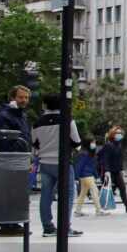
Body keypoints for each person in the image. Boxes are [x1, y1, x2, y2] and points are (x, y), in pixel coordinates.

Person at [33, 94, 84, 237]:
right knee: (67, 194)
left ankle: (48, 227)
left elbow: (35, 146)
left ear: (45, 105)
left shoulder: (38, 122)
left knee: (46, 195)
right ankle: (65, 227)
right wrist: (75, 149)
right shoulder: (67, 120)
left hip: (45, 163)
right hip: (63, 163)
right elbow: (76, 141)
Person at [0, 85, 32, 238]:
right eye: (21, 97)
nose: (24, 100)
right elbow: (3, 139)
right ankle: (7, 224)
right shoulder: (5, 115)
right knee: (8, 192)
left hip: (19, 159)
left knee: (16, 193)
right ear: (12, 98)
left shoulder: (21, 115)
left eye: (26, 98)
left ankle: (12, 223)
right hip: (10, 160)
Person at [99, 126, 127, 213]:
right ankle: (101, 207)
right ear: (113, 134)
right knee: (108, 189)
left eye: (120, 133)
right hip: (110, 172)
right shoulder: (108, 145)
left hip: (117, 172)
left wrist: (121, 169)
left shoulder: (119, 145)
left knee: (122, 188)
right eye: (117, 133)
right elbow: (105, 159)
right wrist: (106, 171)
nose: (119, 135)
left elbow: (120, 159)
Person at [73, 142, 107, 217]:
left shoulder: (90, 154)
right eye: (91, 143)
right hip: (87, 176)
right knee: (95, 191)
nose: (93, 145)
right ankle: (98, 210)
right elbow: (79, 166)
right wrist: (76, 177)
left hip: (86, 176)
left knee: (82, 194)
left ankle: (78, 211)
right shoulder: (85, 155)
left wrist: (96, 176)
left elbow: (93, 167)